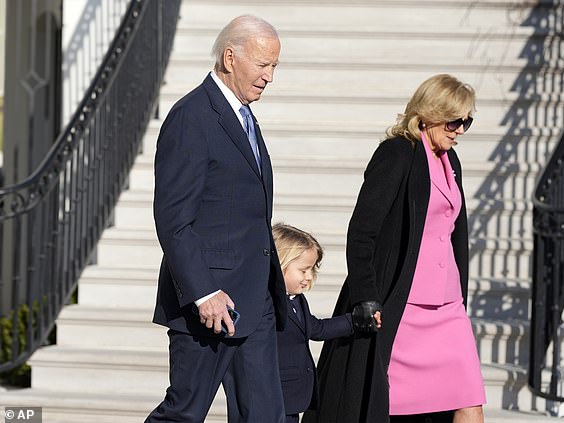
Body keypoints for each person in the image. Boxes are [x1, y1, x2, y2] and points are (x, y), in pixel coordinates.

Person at [303, 74, 486, 423]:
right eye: (454, 120)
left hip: (447, 308)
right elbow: (362, 232)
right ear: (430, 113)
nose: (460, 129)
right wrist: (366, 295)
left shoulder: (451, 162)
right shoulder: (398, 153)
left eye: (467, 122)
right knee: (397, 407)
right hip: (404, 304)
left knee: (469, 401)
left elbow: (452, 234)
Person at [146, 15, 288, 423]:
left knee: (264, 416)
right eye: (263, 65)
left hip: (255, 299)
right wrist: (203, 292)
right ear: (230, 57)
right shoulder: (192, 116)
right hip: (210, 304)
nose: (269, 77)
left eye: (274, 66)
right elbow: (173, 218)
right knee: (184, 414)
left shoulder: (244, 118)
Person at [272, 223, 358, 423]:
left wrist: (354, 321)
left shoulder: (297, 300)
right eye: (303, 270)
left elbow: (316, 329)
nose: (309, 277)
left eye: (312, 270)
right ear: (280, 263)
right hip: (273, 395)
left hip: (293, 397)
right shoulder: (267, 303)